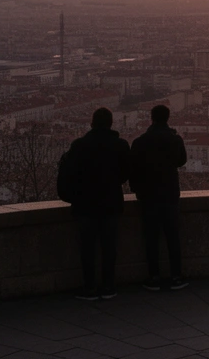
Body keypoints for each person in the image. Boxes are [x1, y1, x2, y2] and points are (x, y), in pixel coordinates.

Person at [62, 107, 130, 300]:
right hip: (111, 203)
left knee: (87, 248)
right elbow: (126, 173)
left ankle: (89, 287)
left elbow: (71, 173)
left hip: (85, 204)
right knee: (109, 247)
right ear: (110, 124)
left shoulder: (79, 145)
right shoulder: (121, 145)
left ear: (92, 123)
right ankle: (108, 286)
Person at [129, 104, 188, 291]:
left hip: (148, 196)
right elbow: (182, 161)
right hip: (169, 194)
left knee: (151, 238)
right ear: (168, 118)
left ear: (151, 118)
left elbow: (133, 169)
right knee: (173, 237)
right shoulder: (175, 139)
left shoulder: (140, 142)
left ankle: (154, 276)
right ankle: (176, 276)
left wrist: (137, 190)